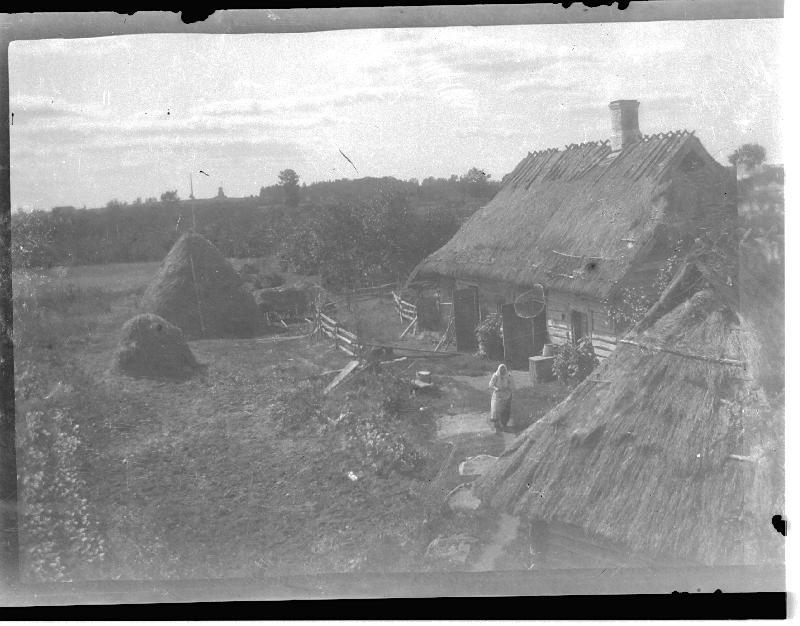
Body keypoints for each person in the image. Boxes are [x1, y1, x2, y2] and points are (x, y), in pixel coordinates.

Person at [489, 363, 514, 431]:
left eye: (503, 370)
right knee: (496, 408)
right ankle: (496, 423)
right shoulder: (495, 376)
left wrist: (508, 388)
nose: (502, 371)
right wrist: (496, 388)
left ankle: (504, 422)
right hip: (498, 394)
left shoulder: (508, 375)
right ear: (499, 370)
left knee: (506, 409)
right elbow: (491, 384)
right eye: (501, 370)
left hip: (506, 394)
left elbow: (512, 385)